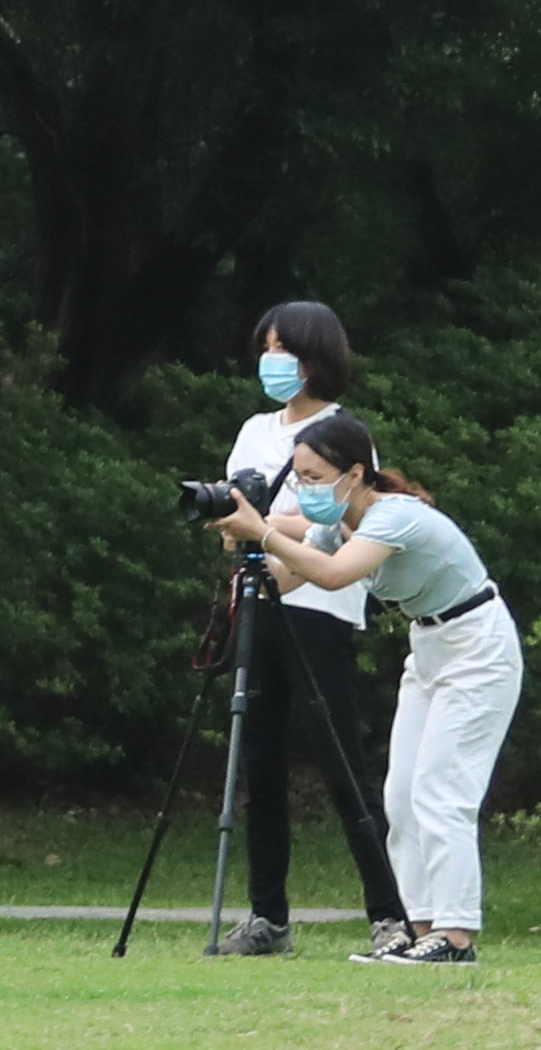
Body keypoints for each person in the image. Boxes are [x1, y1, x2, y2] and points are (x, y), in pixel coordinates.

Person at [223, 411, 523, 967]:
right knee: (402, 796)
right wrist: (250, 557)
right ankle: (422, 927)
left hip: (478, 645)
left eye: (314, 478)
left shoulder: (395, 516)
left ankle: (456, 938)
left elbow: (334, 575)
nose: (305, 491)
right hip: (430, 646)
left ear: (355, 474)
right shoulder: (337, 523)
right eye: (301, 480)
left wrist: (262, 532)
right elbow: (293, 577)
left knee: (441, 792)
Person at [210, 301, 407, 962]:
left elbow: (342, 517)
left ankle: (388, 912)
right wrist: (264, 524)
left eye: (284, 351)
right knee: (257, 760)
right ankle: (267, 914)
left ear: (315, 356)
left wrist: (267, 525)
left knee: (338, 758)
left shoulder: (343, 431)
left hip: (319, 605)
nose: (272, 364)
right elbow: (235, 513)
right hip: (257, 601)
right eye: (265, 349)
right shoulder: (253, 429)